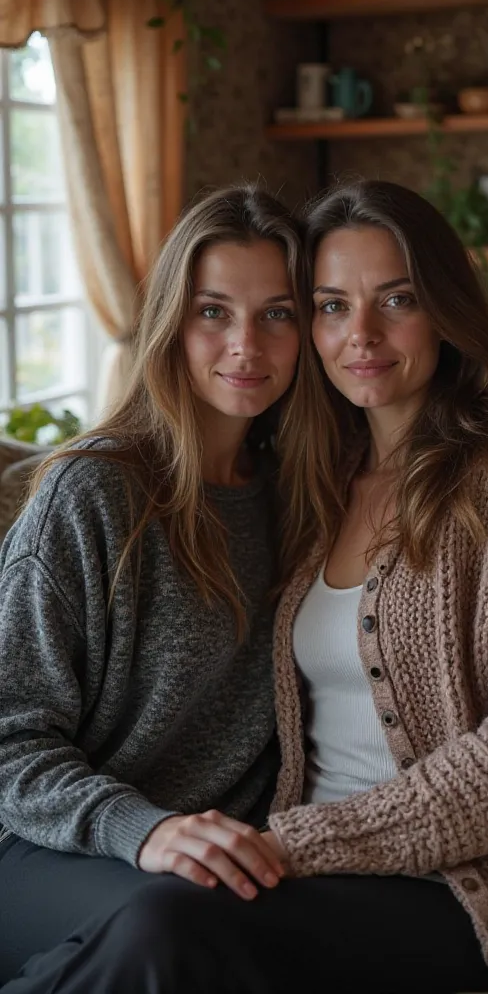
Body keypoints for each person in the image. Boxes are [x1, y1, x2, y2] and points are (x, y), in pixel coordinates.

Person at [2, 181, 488, 994]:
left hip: (445, 881)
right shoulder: (303, 474)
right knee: (163, 923)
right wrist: (177, 834)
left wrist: (294, 841)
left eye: (397, 299)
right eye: (330, 305)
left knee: (168, 924)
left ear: (445, 307)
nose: (363, 335)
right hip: (189, 857)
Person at [0, 184, 307, 986]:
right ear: (172, 318)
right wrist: (144, 829)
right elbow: (7, 739)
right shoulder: (93, 490)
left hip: (207, 862)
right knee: (172, 922)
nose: (246, 345)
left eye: (277, 313)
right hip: (47, 843)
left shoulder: (306, 494)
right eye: (214, 312)